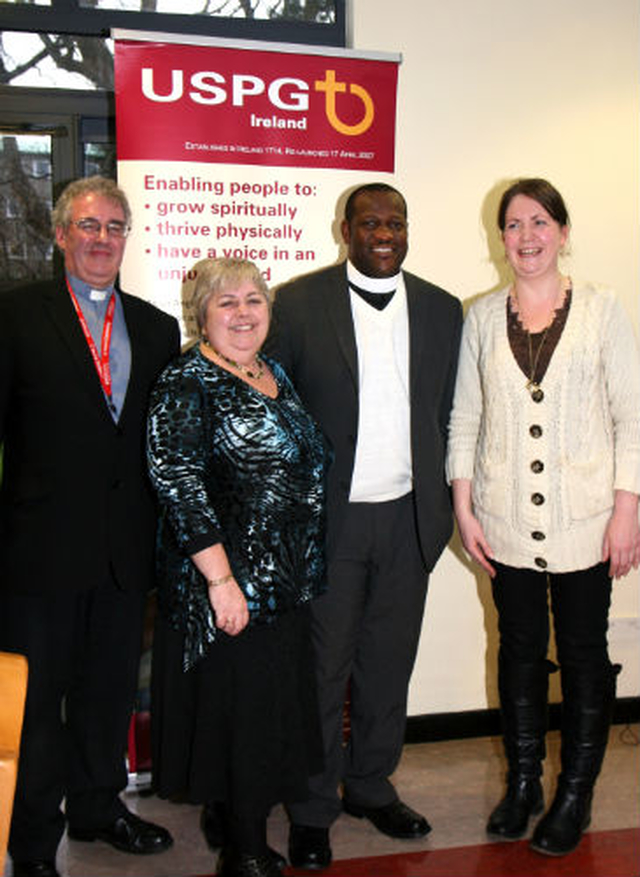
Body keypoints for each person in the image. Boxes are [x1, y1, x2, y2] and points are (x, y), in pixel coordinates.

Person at [264, 182, 463, 870]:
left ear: (408, 230)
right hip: (330, 523)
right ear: (344, 229)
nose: (385, 232)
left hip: (408, 519)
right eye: (371, 221)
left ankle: (372, 785)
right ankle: (313, 807)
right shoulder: (296, 303)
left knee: (388, 664)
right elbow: (276, 414)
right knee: (321, 670)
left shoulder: (442, 309)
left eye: (397, 221)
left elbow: (447, 415)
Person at [446, 177, 640, 856]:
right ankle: (524, 782)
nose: (525, 238)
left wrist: (628, 510)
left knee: (586, 654)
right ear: (500, 238)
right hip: (500, 519)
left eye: (538, 222)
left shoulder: (602, 310)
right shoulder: (478, 316)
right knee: (519, 650)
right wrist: (463, 505)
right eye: (513, 225)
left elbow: (632, 414)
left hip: (587, 521)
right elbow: (466, 417)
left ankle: (575, 795)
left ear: (562, 229)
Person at [0, 176, 180, 877]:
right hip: (35, 557)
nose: (101, 238)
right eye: (87, 225)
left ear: (126, 237)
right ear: (60, 234)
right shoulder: (15, 317)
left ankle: (101, 808)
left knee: (108, 694)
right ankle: (34, 841)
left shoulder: (158, 326)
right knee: (40, 705)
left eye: (113, 226)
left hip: (123, 556)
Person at [147, 257, 330, 877]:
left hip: (285, 584)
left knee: (268, 713)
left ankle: (235, 820)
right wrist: (222, 582)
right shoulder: (186, 380)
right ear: (200, 314)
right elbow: (178, 484)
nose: (244, 312)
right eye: (227, 302)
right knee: (246, 720)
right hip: (228, 587)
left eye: (255, 299)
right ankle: (246, 853)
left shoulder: (271, 371)